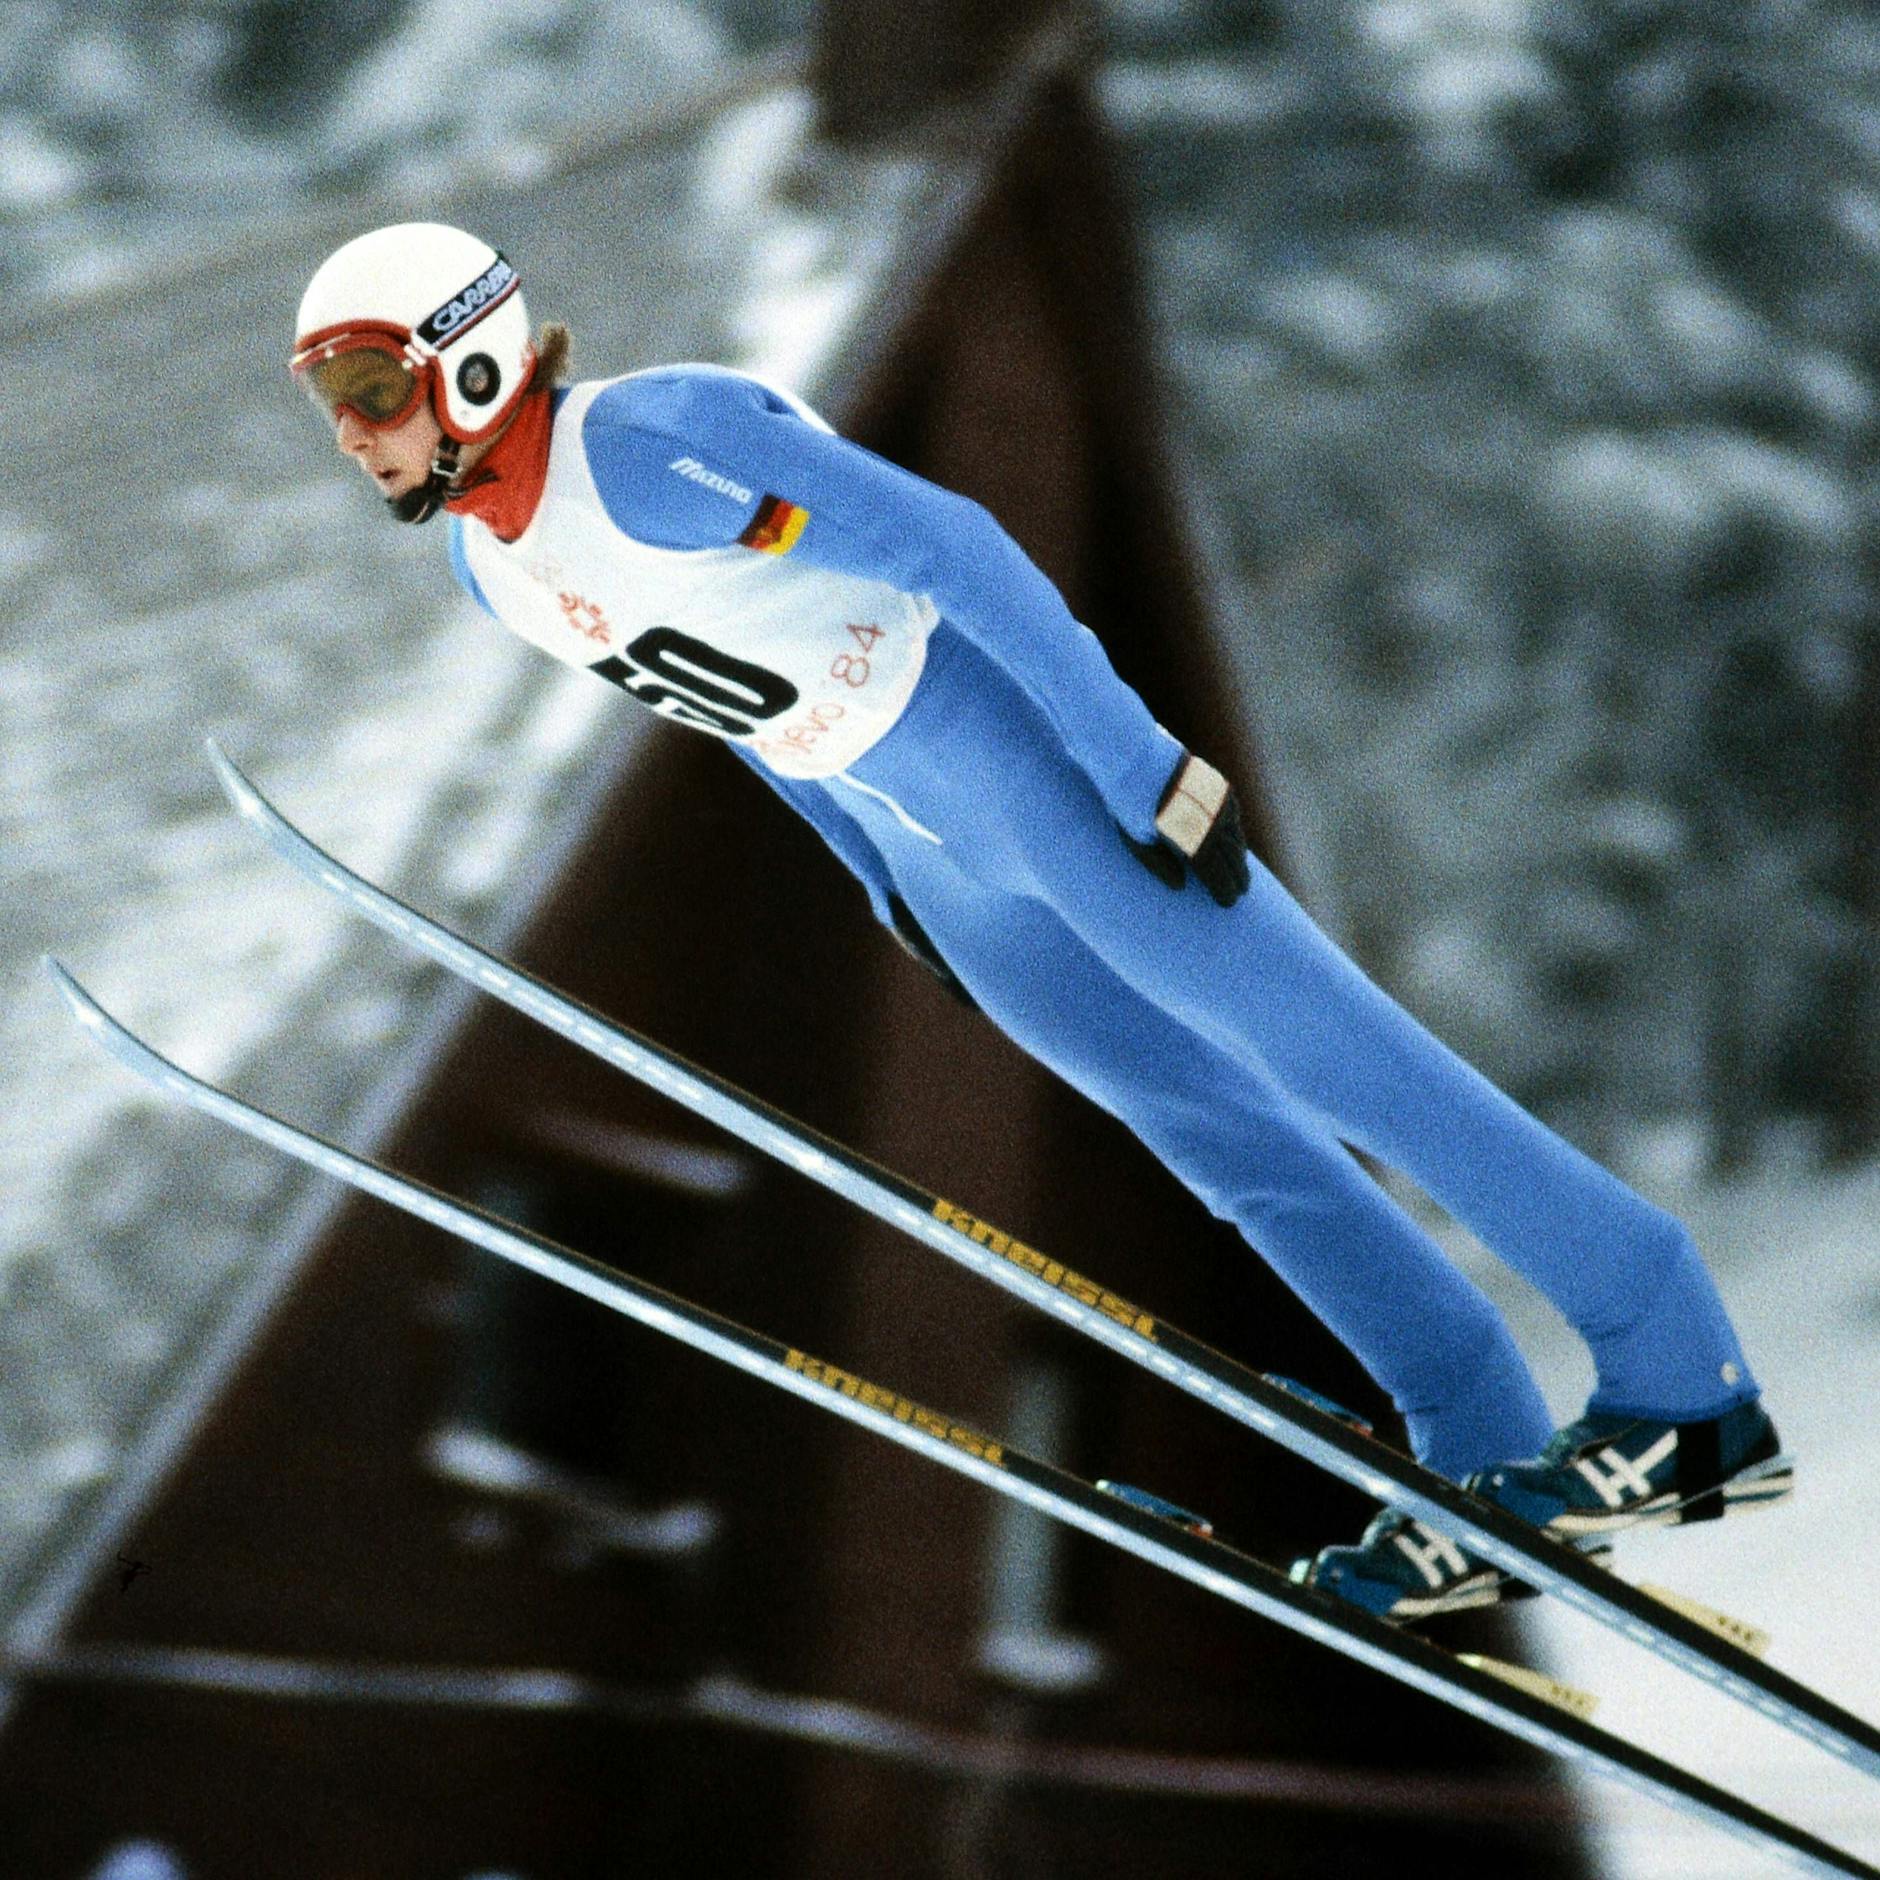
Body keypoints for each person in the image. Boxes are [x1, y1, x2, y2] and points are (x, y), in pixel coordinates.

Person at [289, 222, 1793, 1622]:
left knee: (1337, 1061)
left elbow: (949, 545)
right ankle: (1474, 1444)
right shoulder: (494, 573)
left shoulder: (650, 443)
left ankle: (1679, 1376)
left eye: (371, 388)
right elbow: (727, 705)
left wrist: (1135, 762)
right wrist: (887, 886)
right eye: (332, 404)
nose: (356, 434)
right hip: (929, 842)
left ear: (468, 359)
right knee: (1218, 1140)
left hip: (1019, 761)